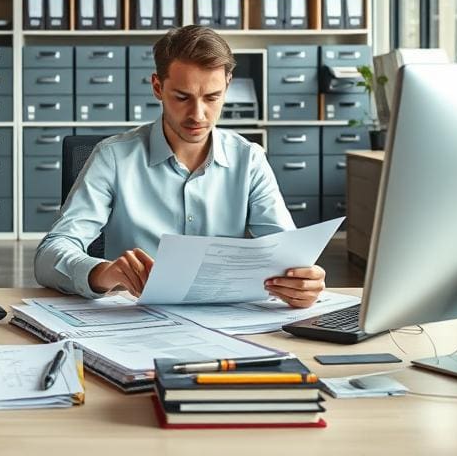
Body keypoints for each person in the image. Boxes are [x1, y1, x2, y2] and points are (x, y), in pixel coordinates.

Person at [34, 25, 326, 306]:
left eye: (212, 97)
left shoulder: (249, 159)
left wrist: (302, 283)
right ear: (158, 87)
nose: (198, 115)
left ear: (227, 85)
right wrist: (103, 274)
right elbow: (50, 256)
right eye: (182, 97)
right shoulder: (113, 157)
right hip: (135, 320)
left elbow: (288, 256)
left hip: (226, 323)